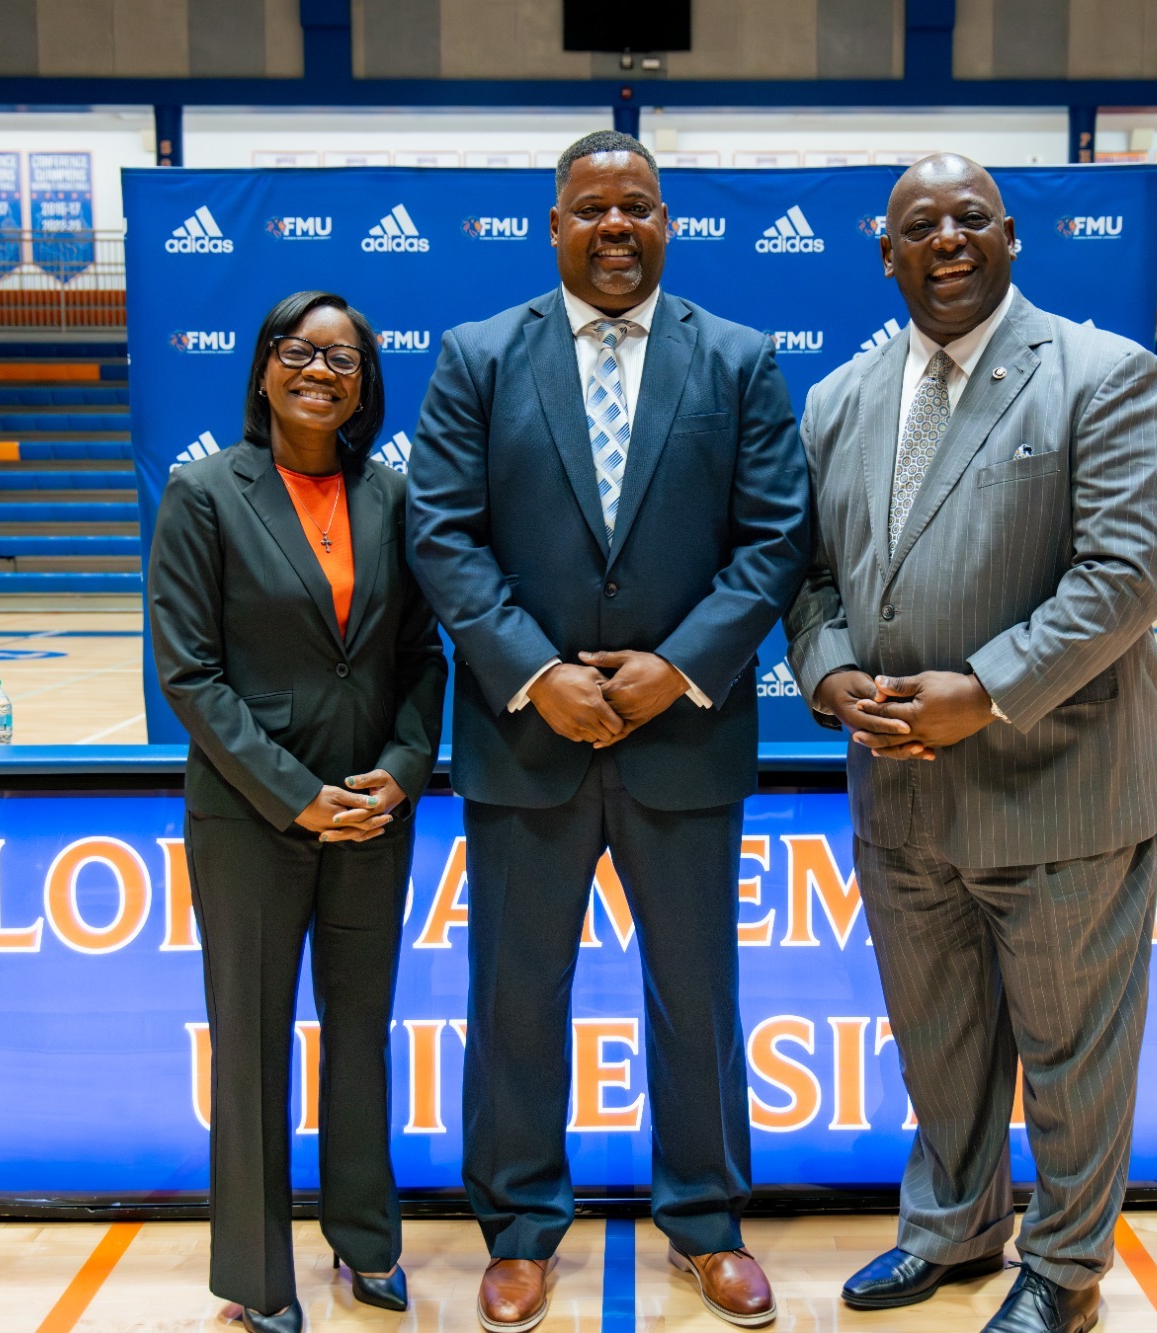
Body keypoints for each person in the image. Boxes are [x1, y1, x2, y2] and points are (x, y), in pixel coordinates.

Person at [406, 130, 810, 1332]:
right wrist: (537, 674)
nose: (616, 226)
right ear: (554, 225)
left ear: (666, 221)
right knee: (516, 994)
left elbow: (774, 537)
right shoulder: (478, 357)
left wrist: (669, 672)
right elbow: (441, 531)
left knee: (696, 992)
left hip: (681, 738)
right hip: (524, 740)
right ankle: (520, 1227)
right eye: (591, 208)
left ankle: (704, 1220)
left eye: (637, 205)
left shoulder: (735, 360)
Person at [784, 155, 1157, 1333]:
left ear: (1011, 238)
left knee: (1072, 1054)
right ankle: (952, 1229)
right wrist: (830, 674)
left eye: (969, 219)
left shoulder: (1103, 375)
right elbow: (809, 580)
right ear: (886, 253)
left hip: (1055, 780)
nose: (945, 240)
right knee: (939, 1038)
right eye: (920, 226)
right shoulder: (838, 402)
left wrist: (985, 688)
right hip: (902, 797)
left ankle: (1063, 1268)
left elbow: (1125, 576)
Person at [149, 291, 447, 1333]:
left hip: (372, 812)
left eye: (346, 360)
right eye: (300, 351)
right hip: (250, 818)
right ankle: (257, 1281)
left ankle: (367, 1247)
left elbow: (420, 656)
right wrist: (293, 794)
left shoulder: (395, 498)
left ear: (366, 385)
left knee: (359, 1035)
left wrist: (403, 769)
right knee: (253, 1040)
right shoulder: (201, 493)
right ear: (264, 368)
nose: (322, 371)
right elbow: (188, 673)